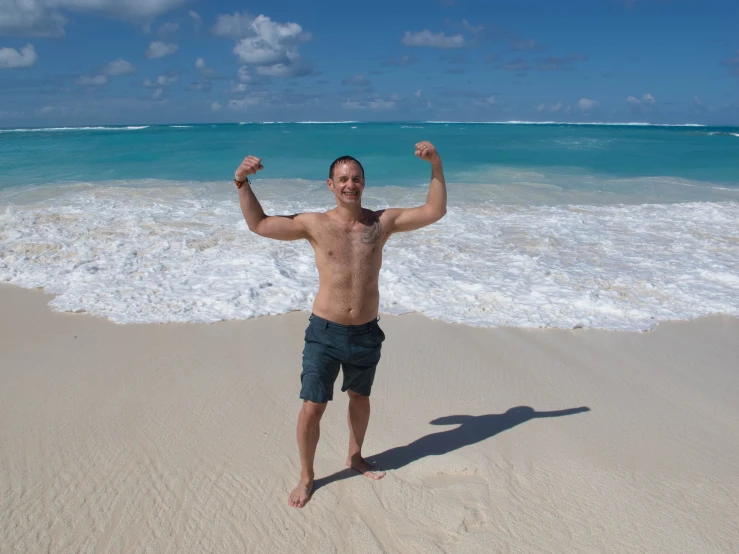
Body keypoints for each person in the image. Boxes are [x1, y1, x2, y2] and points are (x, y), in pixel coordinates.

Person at [234, 142, 447, 508]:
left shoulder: (382, 223)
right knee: (312, 406)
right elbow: (259, 224)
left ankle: (355, 456)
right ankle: (307, 476)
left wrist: (436, 166)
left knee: (360, 398)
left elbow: (434, 211)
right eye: (343, 179)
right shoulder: (314, 224)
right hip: (325, 332)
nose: (350, 184)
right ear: (330, 185)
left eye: (356, 178)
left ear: (364, 183)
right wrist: (241, 182)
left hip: (366, 333)